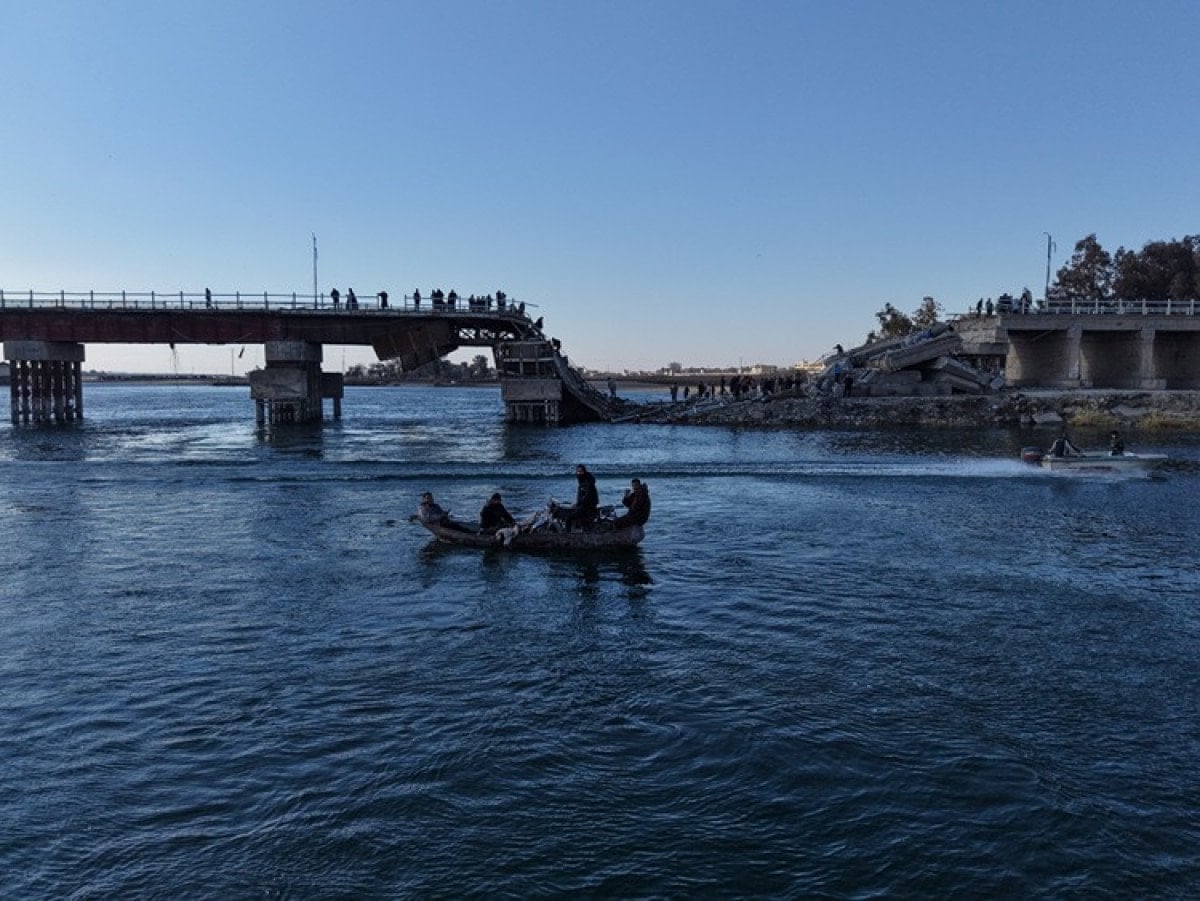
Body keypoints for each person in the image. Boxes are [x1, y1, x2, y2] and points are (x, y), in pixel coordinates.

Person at [557, 464, 599, 531]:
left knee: (569, 518)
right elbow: (583, 495)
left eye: (580, 471)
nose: (579, 473)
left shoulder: (587, 482)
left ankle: (568, 535)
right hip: (584, 505)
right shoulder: (584, 481)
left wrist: (579, 503)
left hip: (587, 507)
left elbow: (587, 496)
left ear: (584, 471)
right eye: (578, 471)